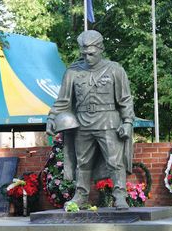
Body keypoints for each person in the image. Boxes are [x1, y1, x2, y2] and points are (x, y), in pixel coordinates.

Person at [46, 30, 135, 209]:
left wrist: (127, 122)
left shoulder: (115, 70)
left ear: (101, 49)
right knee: (83, 162)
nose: (88, 58)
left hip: (108, 121)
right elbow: (63, 100)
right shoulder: (72, 72)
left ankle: (119, 195)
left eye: (92, 54)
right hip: (82, 123)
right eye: (84, 54)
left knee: (114, 161)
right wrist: (51, 118)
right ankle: (81, 195)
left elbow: (125, 99)